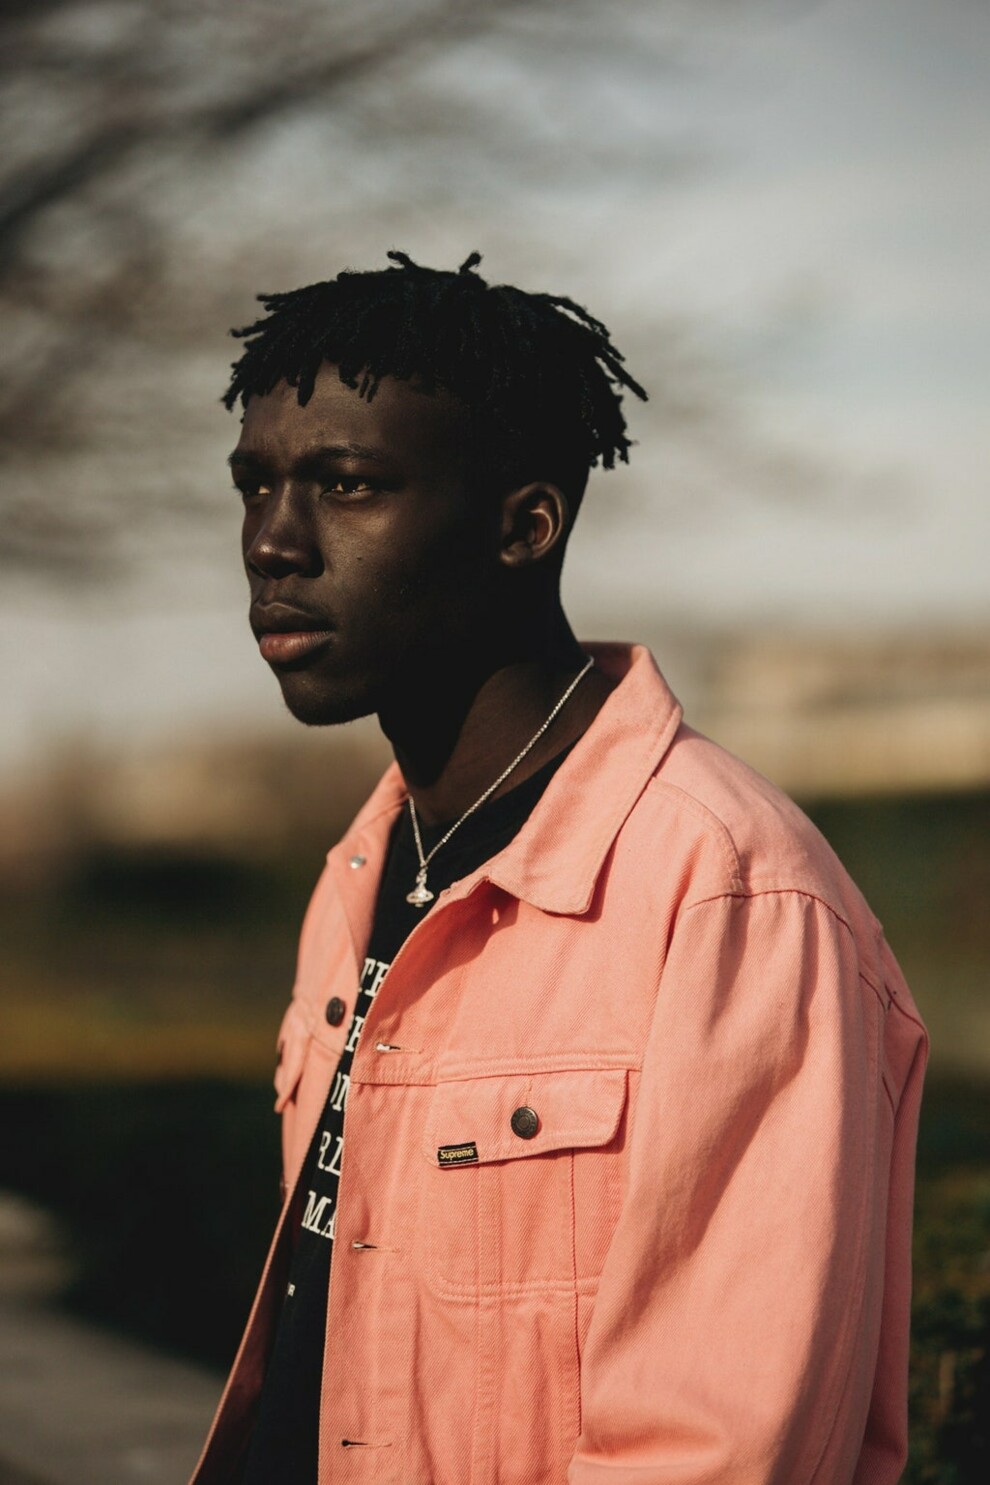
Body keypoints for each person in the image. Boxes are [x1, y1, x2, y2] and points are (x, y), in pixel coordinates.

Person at [191, 252, 927, 1485]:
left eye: (348, 485)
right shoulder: (363, 866)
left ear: (524, 527)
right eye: (254, 485)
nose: (272, 542)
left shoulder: (731, 893)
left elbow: (713, 1450)